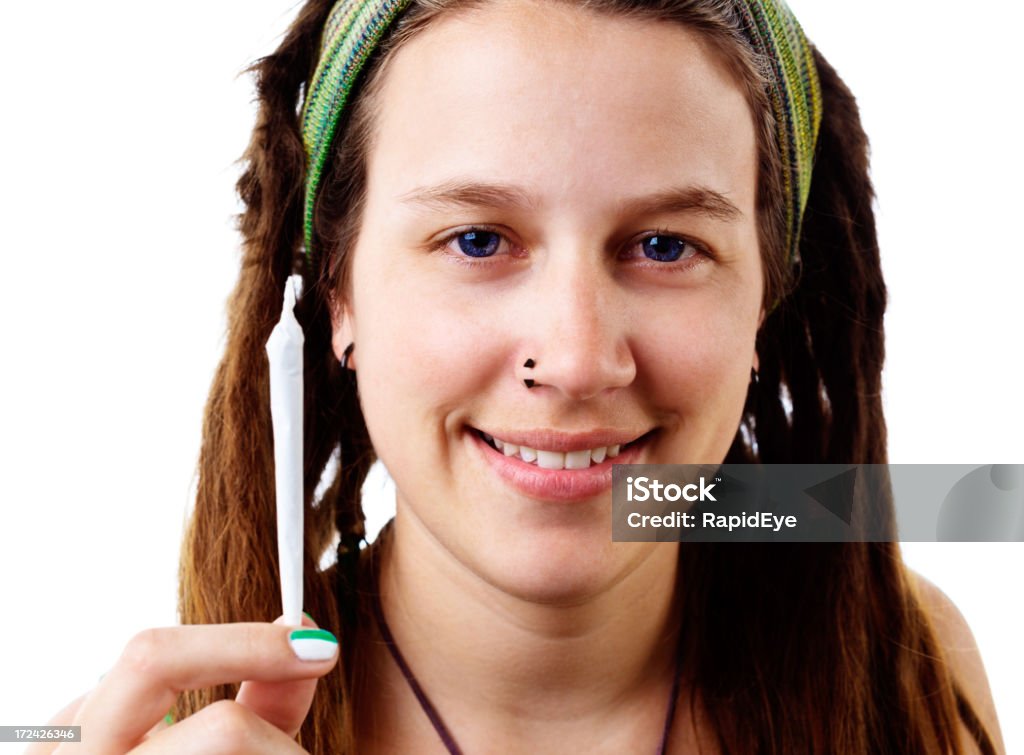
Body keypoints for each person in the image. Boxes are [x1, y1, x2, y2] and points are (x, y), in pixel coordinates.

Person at [39, 0, 1005, 752]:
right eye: (477, 239)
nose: (579, 358)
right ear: (336, 293)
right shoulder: (139, 737)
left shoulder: (908, 668)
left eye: (666, 245)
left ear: (766, 299)